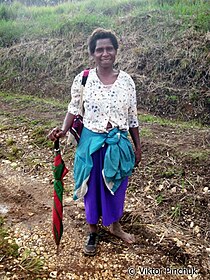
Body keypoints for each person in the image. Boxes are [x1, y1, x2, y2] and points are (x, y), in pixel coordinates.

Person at [48, 28, 141, 256]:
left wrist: (138, 146)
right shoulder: (84, 79)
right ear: (93, 53)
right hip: (91, 144)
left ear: (116, 51)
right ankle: (92, 231)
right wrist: (62, 130)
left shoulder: (127, 81)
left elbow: (132, 117)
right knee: (91, 189)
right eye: (100, 49)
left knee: (117, 186)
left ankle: (115, 226)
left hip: (118, 145)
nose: (105, 53)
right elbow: (73, 108)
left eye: (109, 48)